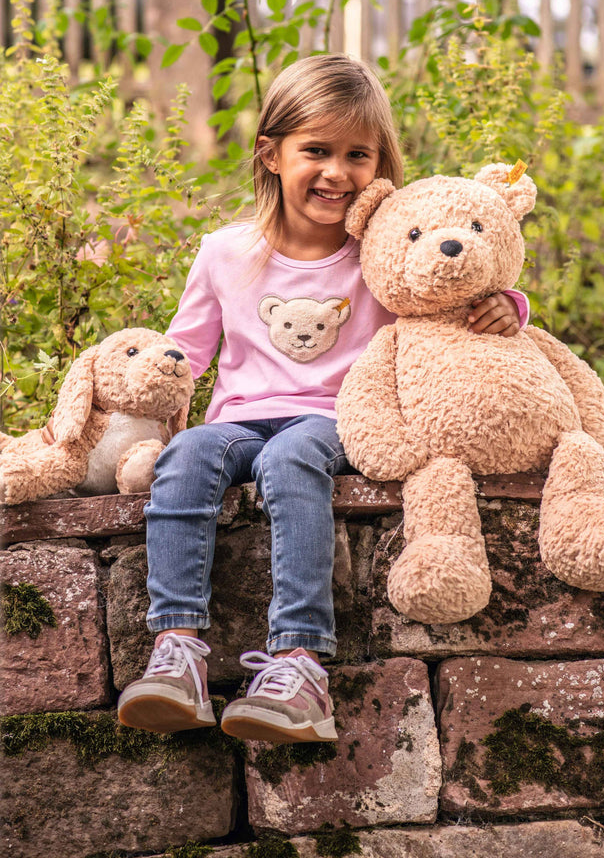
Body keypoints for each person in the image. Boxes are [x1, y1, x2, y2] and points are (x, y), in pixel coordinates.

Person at [116, 54, 529, 744]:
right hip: (238, 424)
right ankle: (177, 650)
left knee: (290, 457)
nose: (336, 172)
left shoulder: (384, 256)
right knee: (186, 456)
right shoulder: (225, 251)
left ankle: (299, 662)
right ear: (271, 154)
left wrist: (507, 304)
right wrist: (130, 417)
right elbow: (180, 358)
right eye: (316, 150)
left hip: (340, 420)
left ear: (378, 164)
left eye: (356, 155)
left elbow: (442, 301)